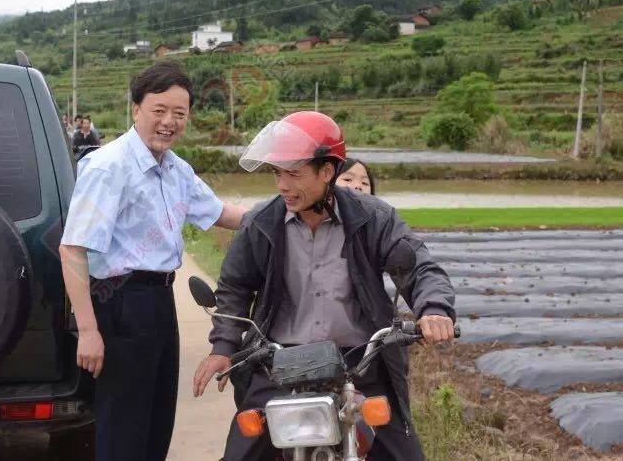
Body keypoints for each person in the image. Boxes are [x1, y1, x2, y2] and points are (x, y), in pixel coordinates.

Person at [192, 111, 456, 461]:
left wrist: (434, 308)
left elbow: (418, 265)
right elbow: (234, 289)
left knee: (404, 454)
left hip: (359, 364)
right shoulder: (261, 223)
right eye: (277, 173)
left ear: (327, 171)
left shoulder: (372, 218)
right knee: (242, 452)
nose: (283, 185)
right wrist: (223, 346)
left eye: (294, 173)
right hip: (280, 363)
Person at [59, 61, 247, 461]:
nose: (169, 122)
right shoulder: (109, 166)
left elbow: (221, 214)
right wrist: (89, 330)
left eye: (179, 114)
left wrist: (288, 212)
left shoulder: (176, 170)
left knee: (156, 424)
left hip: (160, 303)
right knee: (124, 432)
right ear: (136, 110)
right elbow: (72, 249)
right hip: (121, 304)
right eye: (159, 110)